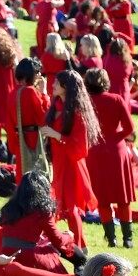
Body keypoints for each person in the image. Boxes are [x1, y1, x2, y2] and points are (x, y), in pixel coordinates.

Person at [40, 69, 98, 250]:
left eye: (57, 83)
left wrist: (57, 135)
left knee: (71, 208)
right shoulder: (56, 105)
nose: (53, 85)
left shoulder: (77, 112)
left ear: (67, 87)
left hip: (72, 163)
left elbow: (81, 146)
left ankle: (80, 246)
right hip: (58, 162)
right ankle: (78, 245)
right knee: (59, 205)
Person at [84, 68, 136, 248]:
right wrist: (117, 138)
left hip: (95, 152)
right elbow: (130, 128)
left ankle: (111, 238)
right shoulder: (116, 99)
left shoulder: (86, 103)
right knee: (123, 198)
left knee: (103, 198)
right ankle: (127, 239)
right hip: (117, 150)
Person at [0, 171, 85, 275]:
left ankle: (82, 267)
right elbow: (58, 240)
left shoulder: (8, 208)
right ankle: (81, 269)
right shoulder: (40, 210)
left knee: (50, 242)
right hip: (28, 257)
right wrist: (68, 236)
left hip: (5, 255)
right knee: (67, 247)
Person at [5, 58, 48, 179]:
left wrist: (13, 144)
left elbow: (9, 123)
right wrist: (44, 93)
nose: (38, 75)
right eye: (37, 73)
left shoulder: (12, 94)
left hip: (20, 139)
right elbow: (44, 117)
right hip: (34, 139)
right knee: (38, 176)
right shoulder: (31, 92)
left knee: (23, 176)